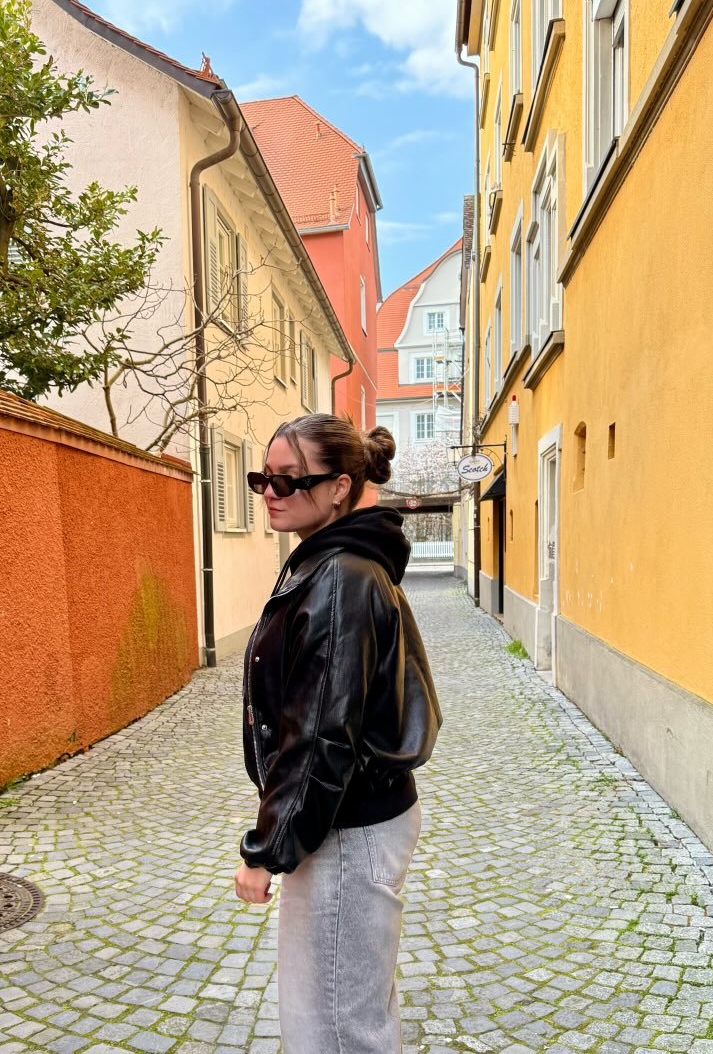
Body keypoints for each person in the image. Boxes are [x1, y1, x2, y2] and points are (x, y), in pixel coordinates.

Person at [233, 412, 441, 1054]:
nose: (271, 492)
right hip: (343, 822)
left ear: (339, 487)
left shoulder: (339, 578)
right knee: (345, 1010)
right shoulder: (328, 565)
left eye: (289, 480)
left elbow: (322, 735)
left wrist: (267, 849)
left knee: (335, 1028)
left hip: (347, 829)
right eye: (263, 479)